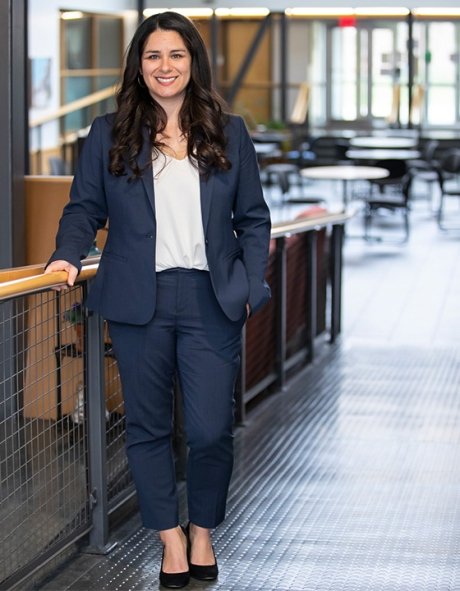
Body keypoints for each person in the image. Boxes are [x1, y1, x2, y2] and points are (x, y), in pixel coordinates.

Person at [45, 11, 271, 589]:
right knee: (146, 427)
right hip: (137, 297)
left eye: (176, 55)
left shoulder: (229, 130)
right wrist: (66, 254)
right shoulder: (108, 133)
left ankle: (203, 530)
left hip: (209, 297)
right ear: (138, 66)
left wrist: (249, 287)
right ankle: (170, 540)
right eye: (153, 56)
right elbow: (83, 209)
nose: (164, 67)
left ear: (193, 62)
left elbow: (253, 219)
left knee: (209, 430)